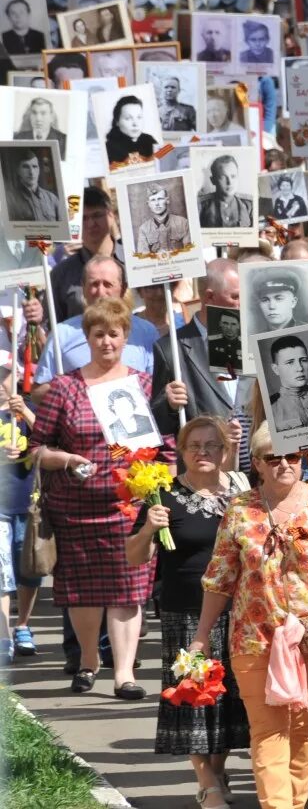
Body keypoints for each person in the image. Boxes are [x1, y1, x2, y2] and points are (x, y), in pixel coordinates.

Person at [190, 424, 308, 809]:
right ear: (258, 465)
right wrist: (201, 635)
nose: (284, 465)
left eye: (292, 457)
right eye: (273, 458)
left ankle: (294, 804)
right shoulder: (240, 509)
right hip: (254, 637)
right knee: (267, 731)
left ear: (303, 461)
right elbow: (219, 579)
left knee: (304, 729)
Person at [32, 297, 164, 699]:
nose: (106, 341)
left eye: (114, 334)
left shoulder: (144, 384)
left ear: (126, 337)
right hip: (76, 511)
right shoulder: (64, 388)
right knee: (85, 594)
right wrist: (66, 458)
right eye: (98, 334)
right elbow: (36, 448)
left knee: (128, 591)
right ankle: (88, 661)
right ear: (86, 338)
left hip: (129, 508)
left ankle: (124, 673)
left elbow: (167, 442)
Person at [124, 416, 250, 809]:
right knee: (194, 698)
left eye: (212, 445)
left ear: (225, 450)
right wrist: (147, 529)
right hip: (186, 613)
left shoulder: (243, 491)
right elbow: (134, 558)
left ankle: (217, 768)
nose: (203, 452)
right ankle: (207, 783)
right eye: (194, 445)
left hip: (240, 610)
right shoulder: (163, 495)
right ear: (181, 451)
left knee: (229, 699)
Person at [5, 147, 61, 223]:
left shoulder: (52, 199)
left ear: (39, 170)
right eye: (26, 167)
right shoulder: (9, 200)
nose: (31, 172)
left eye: (34, 167)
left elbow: (62, 229)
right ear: (18, 170)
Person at [198, 156, 253, 230]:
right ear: (213, 180)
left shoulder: (249, 205)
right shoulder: (201, 206)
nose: (229, 182)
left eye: (233, 176)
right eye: (223, 177)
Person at [105, 95, 158, 165]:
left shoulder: (148, 139)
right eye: (128, 118)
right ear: (117, 121)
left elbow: (164, 154)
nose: (135, 124)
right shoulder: (109, 147)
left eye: (139, 117)